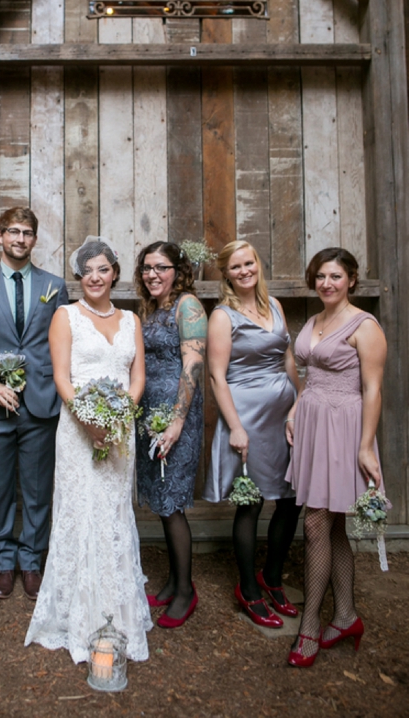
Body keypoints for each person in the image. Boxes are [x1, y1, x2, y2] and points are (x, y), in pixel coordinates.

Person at [25, 237, 153, 663]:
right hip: (78, 430)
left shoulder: (132, 320)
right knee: (81, 510)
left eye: (102, 269)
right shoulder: (65, 316)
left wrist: (118, 420)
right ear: (79, 277)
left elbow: (137, 378)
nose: (95, 277)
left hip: (119, 432)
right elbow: (62, 377)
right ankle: (75, 610)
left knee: (114, 510)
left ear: (115, 272)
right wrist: (89, 421)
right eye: (87, 271)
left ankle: (116, 607)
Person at [0, 207, 68, 600]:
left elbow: (64, 345)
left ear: (35, 239)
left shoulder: (55, 286)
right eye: (13, 232)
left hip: (41, 404)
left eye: (28, 233)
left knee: (38, 490)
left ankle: (32, 562)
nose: (20, 239)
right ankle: (3, 562)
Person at [285, 247, 387, 667]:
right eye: (321, 277)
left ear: (351, 280)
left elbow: (374, 390)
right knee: (334, 527)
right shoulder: (314, 321)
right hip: (313, 423)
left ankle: (309, 624)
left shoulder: (365, 325)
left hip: (345, 427)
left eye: (336, 277)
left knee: (315, 522)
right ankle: (346, 615)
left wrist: (365, 445)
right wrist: (294, 408)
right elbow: (309, 377)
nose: (327, 283)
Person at [204, 240, 302, 628]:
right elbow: (216, 376)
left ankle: (273, 578)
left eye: (249, 263)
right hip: (247, 414)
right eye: (235, 267)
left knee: (291, 500)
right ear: (226, 273)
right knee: (253, 503)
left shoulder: (275, 305)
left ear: (257, 265)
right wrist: (236, 427)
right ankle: (248, 588)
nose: (244, 271)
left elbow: (288, 358)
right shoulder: (223, 317)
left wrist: (300, 405)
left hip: (285, 414)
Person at [134, 241, 206, 628]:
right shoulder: (152, 308)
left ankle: (185, 592)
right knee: (163, 500)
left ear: (178, 270)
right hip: (150, 415)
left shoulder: (187, 306)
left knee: (173, 502)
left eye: (161, 267)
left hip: (177, 417)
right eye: (147, 268)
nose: (152, 275)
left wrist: (177, 422)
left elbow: (193, 365)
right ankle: (173, 581)